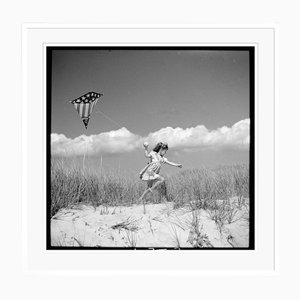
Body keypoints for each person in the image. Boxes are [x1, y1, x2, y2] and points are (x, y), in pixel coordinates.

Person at [138, 142, 183, 210]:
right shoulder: (153, 153)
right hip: (150, 172)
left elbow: (169, 162)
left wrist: (176, 165)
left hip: (154, 173)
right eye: (165, 151)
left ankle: (140, 199)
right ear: (161, 149)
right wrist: (146, 148)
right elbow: (146, 155)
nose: (165, 153)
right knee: (162, 179)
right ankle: (151, 190)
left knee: (148, 187)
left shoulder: (162, 158)